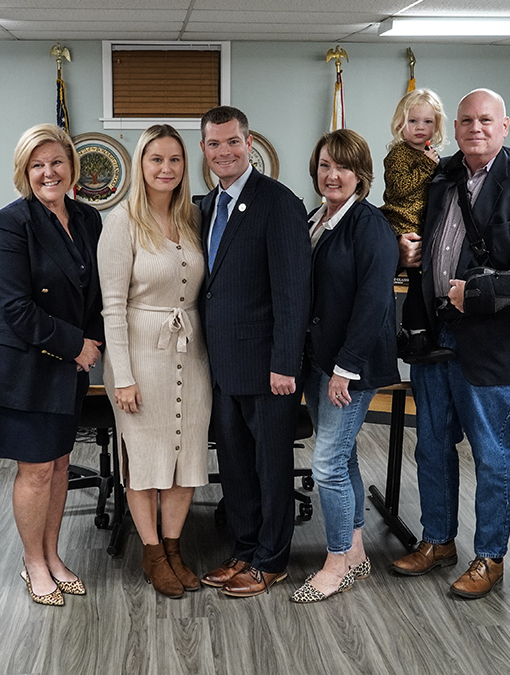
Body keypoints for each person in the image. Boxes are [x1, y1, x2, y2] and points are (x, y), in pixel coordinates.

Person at [390, 88, 510, 600]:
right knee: (433, 445)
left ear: (505, 125)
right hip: (435, 333)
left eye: (486, 120)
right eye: (465, 121)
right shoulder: (439, 175)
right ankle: (438, 539)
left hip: (490, 342)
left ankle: (490, 556)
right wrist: (400, 246)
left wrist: (479, 292)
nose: (475, 128)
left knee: (491, 455)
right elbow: (393, 212)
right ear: (454, 127)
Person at [0, 124, 103, 606]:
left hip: (69, 365)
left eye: (56, 162)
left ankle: (53, 555)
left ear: (71, 167)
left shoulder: (88, 219)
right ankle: (33, 563)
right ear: (24, 172)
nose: (48, 172)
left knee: (60, 465)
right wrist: (76, 346)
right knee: (35, 471)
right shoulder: (10, 223)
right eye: (37, 164)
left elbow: (96, 292)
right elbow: (14, 308)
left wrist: (94, 341)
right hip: (27, 367)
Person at [197, 106, 311, 598]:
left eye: (233, 143)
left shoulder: (278, 203)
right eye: (214, 144)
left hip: (269, 370)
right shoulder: (204, 205)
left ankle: (271, 559)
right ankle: (244, 550)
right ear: (204, 149)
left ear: (250, 145)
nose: (224, 152)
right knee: (237, 469)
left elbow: (293, 292)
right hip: (221, 366)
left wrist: (285, 363)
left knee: (271, 468)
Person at [97, 124, 210, 599]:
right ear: (140, 165)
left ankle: (174, 547)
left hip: (192, 353)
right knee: (144, 461)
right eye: (156, 159)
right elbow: (112, 307)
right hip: (140, 356)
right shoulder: (121, 222)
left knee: (186, 457)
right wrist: (123, 377)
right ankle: (151, 552)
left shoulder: (193, 218)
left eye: (175, 160)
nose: (166, 169)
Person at [292, 129, 399, 603]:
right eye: (324, 166)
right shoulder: (317, 218)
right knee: (344, 456)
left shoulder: (369, 225)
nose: (332, 175)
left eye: (342, 167)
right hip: (320, 361)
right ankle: (355, 551)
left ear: (361, 173)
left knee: (327, 465)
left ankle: (336, 562)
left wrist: (345, 368)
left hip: (348, 369)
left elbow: (374, 302)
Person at [380, 88, 451, 364]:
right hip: (402, 223)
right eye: (413, 121)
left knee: (421, 286)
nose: (420, 128)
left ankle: (416, 334)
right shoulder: (398, 155)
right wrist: (425, 165)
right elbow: (399, 189)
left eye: (428, 122)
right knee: (419, 285)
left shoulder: (430, 154)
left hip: (424, 225)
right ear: (401, 124)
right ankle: (414, 336)